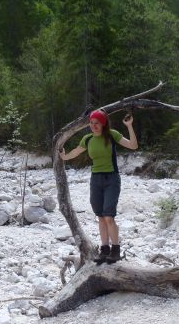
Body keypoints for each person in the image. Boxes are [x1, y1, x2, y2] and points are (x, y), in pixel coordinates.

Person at [59, 109, 138, 263]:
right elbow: (76, 151)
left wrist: (129, 126)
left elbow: (133, 145)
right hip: (96, 180)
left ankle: (115, 249)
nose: (93, 125)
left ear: (103, 123)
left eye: (97, 123)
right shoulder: (88, 139)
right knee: (101, 217)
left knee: (109, 216)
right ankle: (105, 250)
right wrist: (64, 156)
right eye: (91, 123)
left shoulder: (111, 135)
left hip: (112, 179)